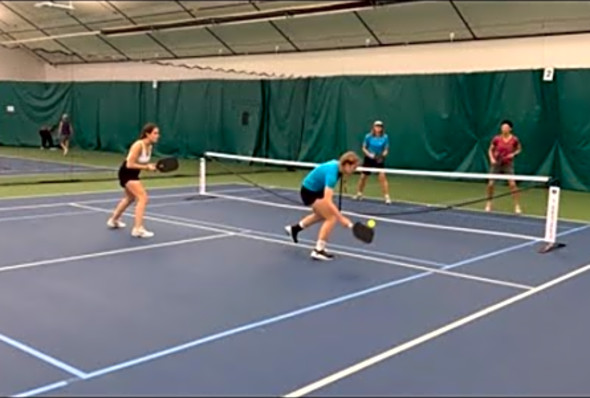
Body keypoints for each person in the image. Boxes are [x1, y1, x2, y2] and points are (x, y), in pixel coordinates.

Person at [285, 151, 360, 261]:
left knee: (321, 215)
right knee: (331, 217)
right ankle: (318, 250)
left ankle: (294, 229)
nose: (354, 171)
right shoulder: (332, 174)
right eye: (353, 167)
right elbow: (328, 201)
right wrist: (342, 218)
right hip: (309, 191)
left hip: (316, 189)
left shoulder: (338, 167)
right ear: (347, 165)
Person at [107, 123, 160, 238]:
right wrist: (146, 167)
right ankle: (138, 229)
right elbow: (130, 164)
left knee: (130, 198)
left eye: (158, 133)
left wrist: (151, 167)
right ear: (147, 134)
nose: (158, 136)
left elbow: (141, 162)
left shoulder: (150, 147)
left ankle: (113, 220)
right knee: (143, 197)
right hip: (126, 173)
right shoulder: (138, 145)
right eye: (155, 133)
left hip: (134, 173)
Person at [486, 119, 522, 214]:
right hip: (496, 163)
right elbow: (490, 150)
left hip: (508, 164)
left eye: (506, 127)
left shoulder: (514, 139)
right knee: (490, 184)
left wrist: (513, 154)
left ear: (510, 129)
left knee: (512, 185)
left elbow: (519, 149)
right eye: (503, 127)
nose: (504, 129)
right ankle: (489, 203)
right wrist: (492, 159)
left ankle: (517, 205)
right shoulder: (496, 139)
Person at [354, 120, 391, 204]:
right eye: (377, 126)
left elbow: (386, 149)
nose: (378, 128)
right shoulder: (368, 136)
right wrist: (369, 155)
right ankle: (359, 193)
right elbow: (364, 148)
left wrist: (382, 155)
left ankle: (386, 196)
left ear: (382, 128)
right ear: (373, 127)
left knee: (382, 177)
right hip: (369, 158)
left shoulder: (385, 137)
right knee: (363, 177)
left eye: (380, 127)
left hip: (379, 159)